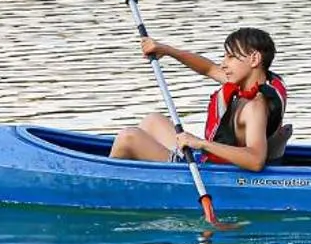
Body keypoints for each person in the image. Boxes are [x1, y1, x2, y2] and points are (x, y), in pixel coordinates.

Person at [108, 27, 285, 173]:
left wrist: (201, 143)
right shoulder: (256, 81)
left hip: (211, 173)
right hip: (210, 162)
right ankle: (136, 173)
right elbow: (208, 68)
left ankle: (107, 183)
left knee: (128, 137)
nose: (223, 64)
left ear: (254, 59)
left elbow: (255, 160)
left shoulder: (255, 106)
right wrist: (167, 50)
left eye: (231, 57)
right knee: (153, 120)